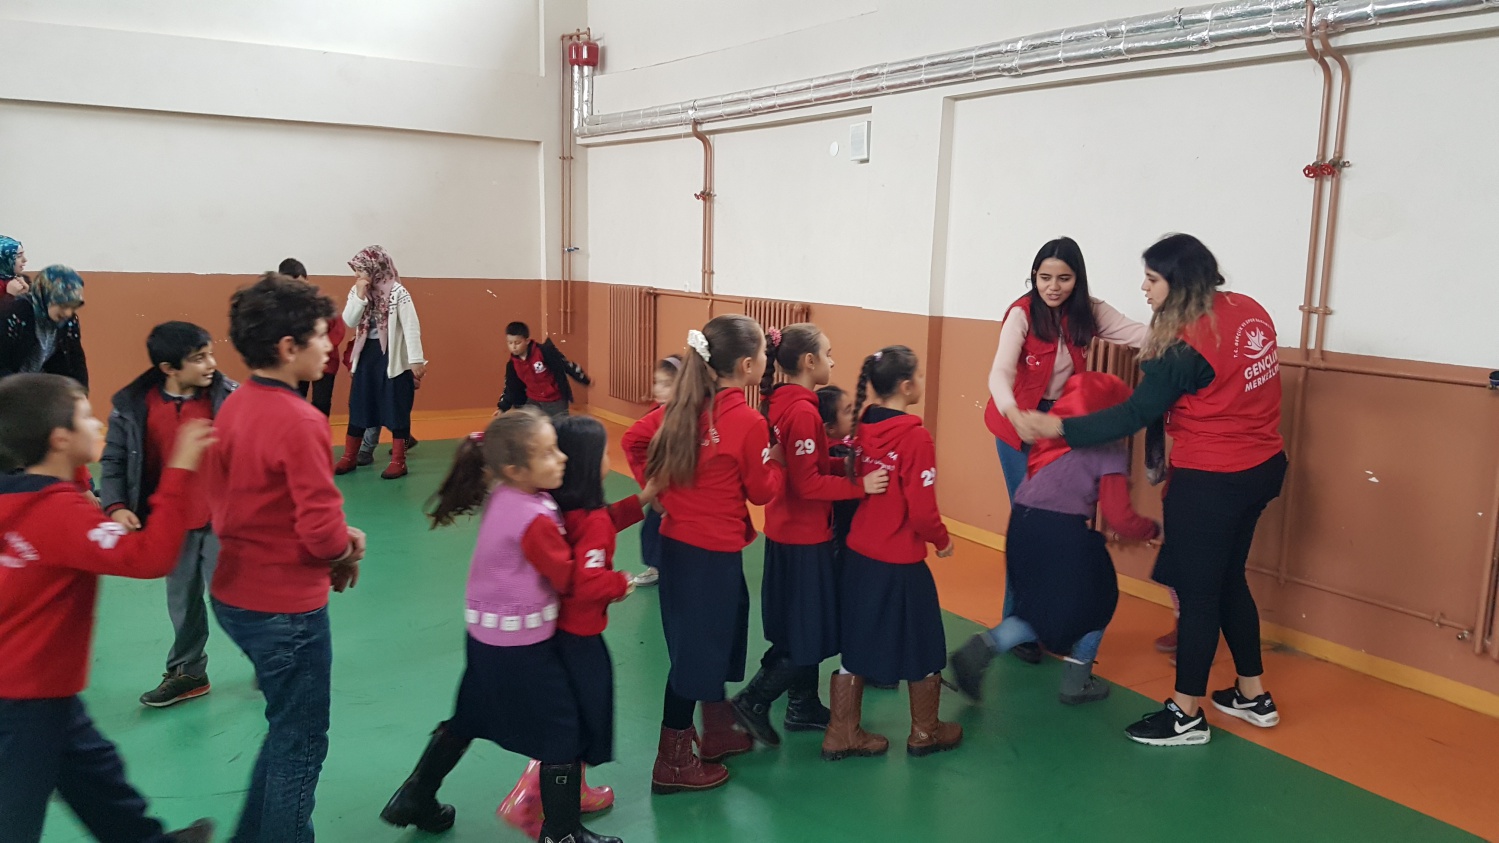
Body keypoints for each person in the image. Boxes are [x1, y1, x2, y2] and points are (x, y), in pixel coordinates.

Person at [1014, 233, 1287, 747]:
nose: (1144, 288)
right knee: (1230, 579)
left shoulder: (1185, 346)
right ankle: (1252, 695)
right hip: (1263, 468)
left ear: (1179, 283)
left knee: (1199, 594)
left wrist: (1058, 427)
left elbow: (1134, 414)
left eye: (1152, 279)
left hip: (1212, 479)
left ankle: (1185, 715)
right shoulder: (1248, 309)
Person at [378, 409, 625, 843]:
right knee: (563, 732)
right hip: (522, 645)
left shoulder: (506, 494)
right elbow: (569, 580)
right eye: (548, 453)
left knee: (469, 716)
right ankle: (562, 833)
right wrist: (616, 579)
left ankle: (415, 795)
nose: (561, 459)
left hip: (485, 637)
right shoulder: (535, 519)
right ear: (514, 468)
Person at [0, 372, 217, 843]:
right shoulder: (57, 513)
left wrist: (76, 476)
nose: (98, 423)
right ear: (59, 439)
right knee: (14, 813)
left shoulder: (17, 496)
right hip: (23, 699)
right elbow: (148, 558)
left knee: (95, 776)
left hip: (42, 687)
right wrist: (179, 471)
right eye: (85, 416)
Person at [200, 274, 365, 842]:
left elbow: (245, 504)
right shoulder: (301, 420)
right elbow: (321, 534)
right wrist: (346, 545)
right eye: (321, 336)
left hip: (234, 596)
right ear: (289, 347)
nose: (329, 346)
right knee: (301, 743)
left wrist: (335, 537)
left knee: (285, 729)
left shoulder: (236, 404)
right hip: (285, 612)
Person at [623, 316, 784, 795]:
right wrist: (776, 465)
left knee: (714, 643)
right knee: (696, 657)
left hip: (686, 551)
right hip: (708, 559)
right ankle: (671, 764)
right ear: (748, 365)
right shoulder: (748, 423)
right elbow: (761, 492)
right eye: (763, 355)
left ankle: (715, 732)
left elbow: (633, 441)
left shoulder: (682, 408)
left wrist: (655, 490)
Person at [493, 415, 661, 838]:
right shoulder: (590, 520)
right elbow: (587, 580)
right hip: (580, 639)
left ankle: (570, 795)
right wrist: (620, 583)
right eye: (603, 453)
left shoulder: (560, 506)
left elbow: (601, 520)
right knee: (577, 724)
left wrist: (643, 498)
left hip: (554, 635)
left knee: (568, 718)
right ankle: (543, 809)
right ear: (588, 463)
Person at [948, 372, 1160, 706]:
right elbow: (1119, 516)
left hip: (1022, 524)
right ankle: (1077, 681)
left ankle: (982, 647)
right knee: (1100, 598)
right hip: (1060, 530)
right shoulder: (1109, 448)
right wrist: (1151, 530)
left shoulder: (1051, 437)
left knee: (1038, 608)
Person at [982, 238, 1147, 664]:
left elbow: (1139, 333)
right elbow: (1000, 371)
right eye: (1044, 278)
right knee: (1030, 524)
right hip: (1018, 423)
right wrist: (1013, 412)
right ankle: (1017, 624)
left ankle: (1058, 623)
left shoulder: (1088, 310)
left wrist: (1187, 341)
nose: (1053, 287)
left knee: (1061, 530)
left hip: (1062, 426)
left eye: (1064, 278)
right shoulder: (1021, 313)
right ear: (1033, 277)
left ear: (1078, 279)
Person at [731, 325, 887, 748]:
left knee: (802, 625)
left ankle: (802, 704)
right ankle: (752, 701)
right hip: (803, 538)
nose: (833, 362)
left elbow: (811, 466)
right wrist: (860, 485)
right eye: (828, 354)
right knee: (806, 631)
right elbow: (807, 484)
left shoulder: (784, 401)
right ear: (809, 361)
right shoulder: (802, 411)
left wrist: (846, 468)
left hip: (788, 532)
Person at [824, 346, 961, 761]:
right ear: (906, 386)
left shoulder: (863, 424)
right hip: (899, 560)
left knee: (858, 638)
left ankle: (841, 731)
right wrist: (942, 540)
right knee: (925, 640)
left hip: (859, 555)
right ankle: (925, 731)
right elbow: (922, 510)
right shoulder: (916, 438)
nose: (920, 382)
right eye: (918, 376)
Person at [100, 322, 238, 708]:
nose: (211, 364)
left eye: (210, 354)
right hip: (172, 524)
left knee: (239, 600)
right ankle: (188, 672)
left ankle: (273, 659)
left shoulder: (230, 398)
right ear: (168, 368)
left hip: (224, 521)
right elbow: (113, 461)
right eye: (199, 358)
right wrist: (117, 506)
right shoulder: (133, 407)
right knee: (182, 604)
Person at [334, 246, 426, 479]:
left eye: (361, 270)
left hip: (392, 358)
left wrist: (415, 360)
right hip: (367, 354)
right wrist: (360, 295)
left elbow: (411, 326)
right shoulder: (358, 291)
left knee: (396, 406)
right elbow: (349, 320)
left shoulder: (398, 292)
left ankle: (399, 461)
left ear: (375, 268)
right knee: (360, 403)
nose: (357, 275)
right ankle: (350, 456)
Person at [621, 355, 682, 588]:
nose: (658, 389)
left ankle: (672, 569)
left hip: (680, 485)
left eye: (667, 384)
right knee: (652, 529)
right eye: (657, 382)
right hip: (660, 485)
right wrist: (650, 489)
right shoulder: (654, 414)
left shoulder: (686, 417)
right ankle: (658, 567)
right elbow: (634, 445)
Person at [0, 265, 87, 387]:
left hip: (36, 388)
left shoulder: (68, 322)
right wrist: (19, 391)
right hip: (8, 388)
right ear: (46, 296)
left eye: (73, 307)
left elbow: (75, 360)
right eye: (63, 305)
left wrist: (80, 391)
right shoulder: (15, 313)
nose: (68, 313)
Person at [280, 259, 346, 417]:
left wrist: (320, 349)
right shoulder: (284, 307)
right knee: (296, 397)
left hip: (325, 360)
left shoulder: (322, 302)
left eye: (302, 283)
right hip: (298, 359)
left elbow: (338, 330)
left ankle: (320, 429)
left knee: (321, 402)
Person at [497, 321, 591, 417]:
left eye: (517, 343)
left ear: (527, 341)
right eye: (510, 343)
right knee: (530, 425)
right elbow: (510, 387)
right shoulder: (512, 365)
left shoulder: (544, 352)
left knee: (559, 425)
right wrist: (502, 407)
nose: (513, 347)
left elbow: (565, 365)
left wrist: (583, 379)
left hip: (555, 400)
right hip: (533, 402)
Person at [1, 235, 28, 304]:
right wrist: (10, 295)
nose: (25, 260)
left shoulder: (19, 280)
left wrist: (25, 295)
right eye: (19, 256)